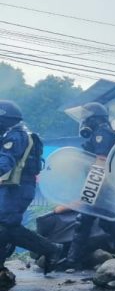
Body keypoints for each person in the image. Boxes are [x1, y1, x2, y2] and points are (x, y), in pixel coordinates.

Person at [0, 100, 64, 276]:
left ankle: (51, 249)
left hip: (18, 189)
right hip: (15, 188)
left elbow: (5, 163)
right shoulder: (15, 133)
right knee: (5, 226)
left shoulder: (16, 136)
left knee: (7, 226)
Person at [65, 102, 115, 270]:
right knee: (107, 222)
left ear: (94, 119)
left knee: (83, 220)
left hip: (100, 184)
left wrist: (91, 188)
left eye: (86, 118)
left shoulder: (102, 133)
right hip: (103, 184)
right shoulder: (103, 132)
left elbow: (100, 161)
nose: (84, 122)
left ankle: (72, 261)